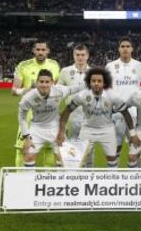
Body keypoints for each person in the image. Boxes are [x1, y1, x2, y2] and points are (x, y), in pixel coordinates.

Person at [57, 67, 141, 168]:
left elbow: (125, 113)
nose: (96, 83)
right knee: (80, 160)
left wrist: (132, 133)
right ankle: (84, 183)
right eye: (93, 81)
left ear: (104, 83)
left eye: (99, 81)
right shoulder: (82, 95)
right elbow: (66, 112)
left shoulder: (112, 96)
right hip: (87, 129)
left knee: (112, 159)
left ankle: (112, 183)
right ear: (89, 82)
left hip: (107, 129)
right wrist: (61, 132)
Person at [18, 69, 83, 168]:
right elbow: (21, 117)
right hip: (37, 128)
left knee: (64, 158)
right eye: (41, 82)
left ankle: (59, 182)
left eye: (47, 82)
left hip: (55, 127)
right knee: (29, 156)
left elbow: (75, 88)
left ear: (52, 82)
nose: (44, 85)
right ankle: (29, 181)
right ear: (37, 82)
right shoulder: (28, 98)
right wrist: (26, 138)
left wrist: (91, 84)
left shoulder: (59, 90)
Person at [11, 39, 60, 167]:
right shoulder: (23, 65)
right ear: (33, 50)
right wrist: (26, 90)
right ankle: (20, 180)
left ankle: (47, 182)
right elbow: (14, 91)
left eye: (43, 49)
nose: (40, 52)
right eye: (37, 49)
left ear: (48, 51)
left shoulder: (54, 65)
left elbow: (57, 88)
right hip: (29, 115)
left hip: (49, 114)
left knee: (50, 150)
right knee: (23, 149)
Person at [105, 36, 141, 165]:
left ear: (132, 49)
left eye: (127, 46)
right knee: (114, 149)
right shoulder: (110, 66)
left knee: (136, 147)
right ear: (119, 49)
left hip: (134, 113)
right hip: (116, 112)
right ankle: (116, 181)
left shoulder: (140, 66)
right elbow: (106, 89)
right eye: (122, 46)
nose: (125, 49)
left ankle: (137, 179)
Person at [57, 44, 91, 139]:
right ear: (73, 55)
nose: (80, 57)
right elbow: (58, 93)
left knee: (88, 149)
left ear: (87, 56)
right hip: (71, 114)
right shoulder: (65, 71)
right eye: (77, 54)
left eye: (83, 55)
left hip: (88, 115)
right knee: (71, 148)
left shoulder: (93, 72)